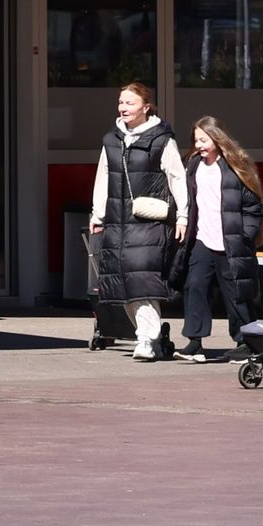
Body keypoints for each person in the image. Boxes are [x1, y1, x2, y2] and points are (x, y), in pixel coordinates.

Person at [86, 82, 186, 359]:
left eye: (130, 102)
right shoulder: (112, 139)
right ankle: (146, 335)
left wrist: (183, 216)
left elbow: (177, 178)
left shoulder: (162, 139)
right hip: (118, 222)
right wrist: (98, 214)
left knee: (142, 281)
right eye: (121, 102)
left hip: (148, 222)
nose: (123, 107)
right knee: (121, 284)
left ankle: (145, 339)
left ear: (146, 106)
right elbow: (103, 178)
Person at [179, 115, 263, 366]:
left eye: (203, 139)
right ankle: (195, 342)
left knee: (236, 293)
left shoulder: (236, 165)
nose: (198, 145)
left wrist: (246, 234)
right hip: (202, 238)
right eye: (196, 140)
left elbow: (253, 205)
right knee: (194, 285)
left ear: (217, 138)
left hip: (232, 241)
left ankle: (245, 343)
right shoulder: (194, 165)